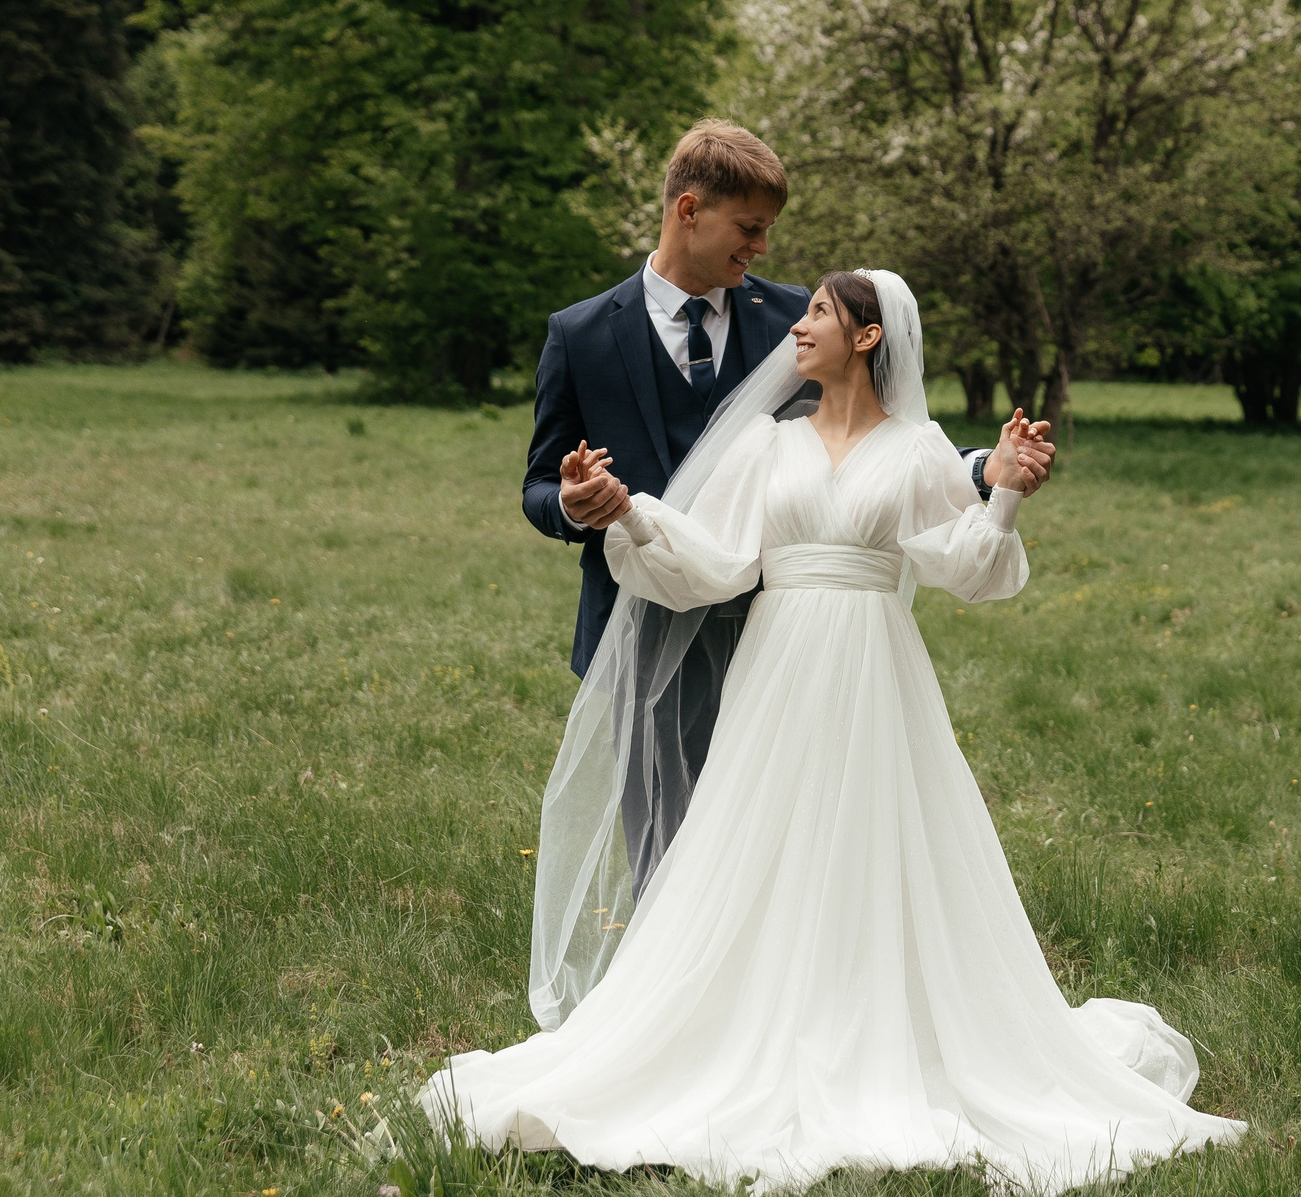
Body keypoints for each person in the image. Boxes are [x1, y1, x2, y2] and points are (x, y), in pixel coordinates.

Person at [427, 271, 1242, 1194]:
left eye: (819, 312)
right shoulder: (766, 447)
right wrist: (629, 512)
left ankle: (878, 1025)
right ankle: (743, 1028)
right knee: (756, 846)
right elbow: (715, 560)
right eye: (806, 309)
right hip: (777, 670)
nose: (798, 326)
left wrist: (1005, 489)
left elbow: (972, 569)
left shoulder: (921, 448)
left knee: (874, 843)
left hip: (874, 669)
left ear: (867, 337)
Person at [522, 121, 1051, 918]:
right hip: (645, 609)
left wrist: (986, 471)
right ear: (690, 210)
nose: (762, 249)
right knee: (667, 846)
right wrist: (573, 502)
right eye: (750, 228)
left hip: (783, 626)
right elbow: (538, 483)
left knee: (794, 842)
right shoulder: (583, 333)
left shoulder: (793, 322)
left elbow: (878, 434)